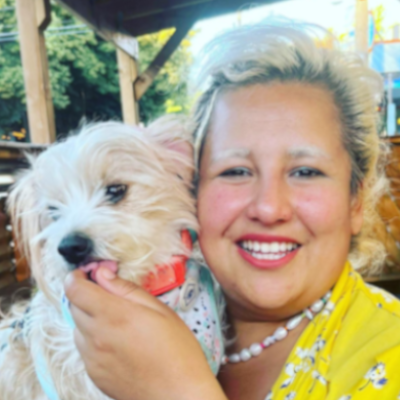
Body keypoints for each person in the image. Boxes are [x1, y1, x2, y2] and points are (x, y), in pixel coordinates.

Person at [64, 20, 400, 400]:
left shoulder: (389, 356)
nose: (269, 208)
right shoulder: (113, 331)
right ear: (192, 188)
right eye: (235, 171)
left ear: (355, 200)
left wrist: (178, 390)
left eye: (306, 171)